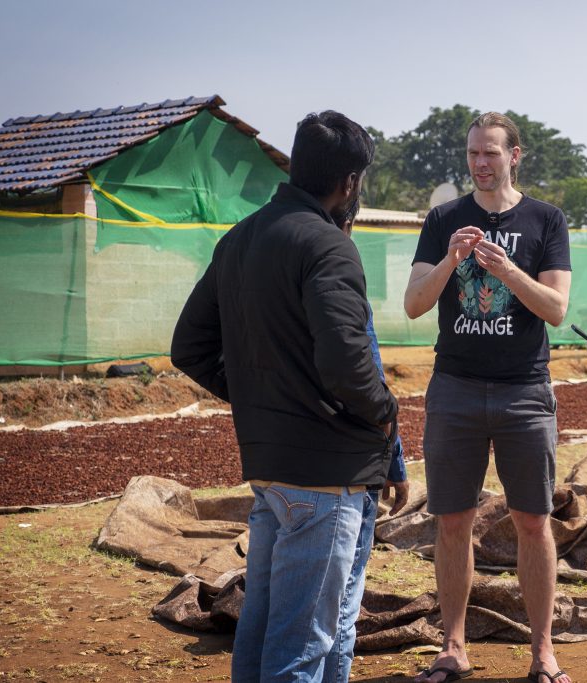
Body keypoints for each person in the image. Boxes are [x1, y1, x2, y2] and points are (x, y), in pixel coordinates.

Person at [171, 111, 399, 683]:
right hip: (326, 475)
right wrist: (386, 417)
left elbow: (189, 348)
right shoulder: (327, 246)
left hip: (272, 473)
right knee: (304, 643)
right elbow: (349, 363)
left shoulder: (241, 238)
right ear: (350, 183)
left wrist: (260, 396)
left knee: (274, 626)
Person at [403, 112, 573, 683]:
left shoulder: (545, 219)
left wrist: (508, 271)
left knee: (532, 520)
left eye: (492, 153)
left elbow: (555, 309)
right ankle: (453, 647)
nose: (481, 162)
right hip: (454, 388)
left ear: (515, 155)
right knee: (452, 521)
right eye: (474, 153)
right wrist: (451, 259)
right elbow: (413, 305)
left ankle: (543, 652)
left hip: (524, 389)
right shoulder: (444, 220)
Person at [323, 201, 411, 683]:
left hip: (275, 465)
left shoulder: (259, 261)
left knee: (281, 608)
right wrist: (394, 464)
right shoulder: (338, 277)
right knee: (338, 602)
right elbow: (369, 378)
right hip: (345, 470)